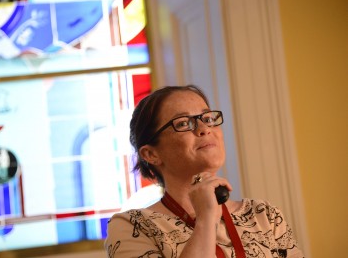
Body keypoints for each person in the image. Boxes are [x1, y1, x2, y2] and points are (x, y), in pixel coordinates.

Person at [104, 85, 304, 258]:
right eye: (183, 123)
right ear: (151, 154)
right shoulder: (133, 227)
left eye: (207, 118)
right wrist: (206, 218)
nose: (204, 128)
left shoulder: (264, 215)